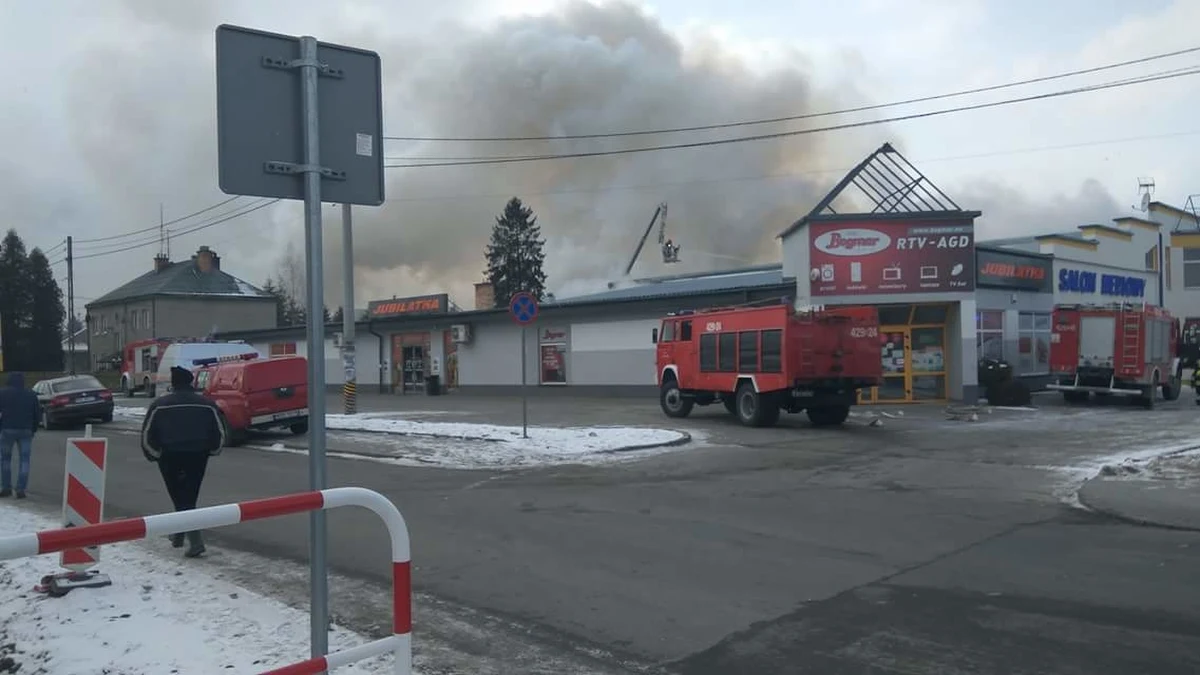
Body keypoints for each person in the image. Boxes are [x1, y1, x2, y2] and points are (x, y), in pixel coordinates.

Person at [141, 365, 224, 558]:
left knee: (180, 497)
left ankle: (194, 541)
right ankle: (179, 535)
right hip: (198, 455)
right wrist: (211, 451)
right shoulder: (206, 404)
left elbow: (147, 435)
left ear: (173, 383)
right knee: (188, 496)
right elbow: (219, 433)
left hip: (169, 456)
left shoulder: (160, 405)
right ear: (191, 382)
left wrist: (155, 454)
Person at [0, 372, 40, 499]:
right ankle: (20, 489)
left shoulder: (2, 393)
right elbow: (36, 414)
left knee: (5, 459)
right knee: (24, 460)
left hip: (7, 429)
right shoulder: (31, 394)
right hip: (26, 430)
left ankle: (6, 487)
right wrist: (33, 429)